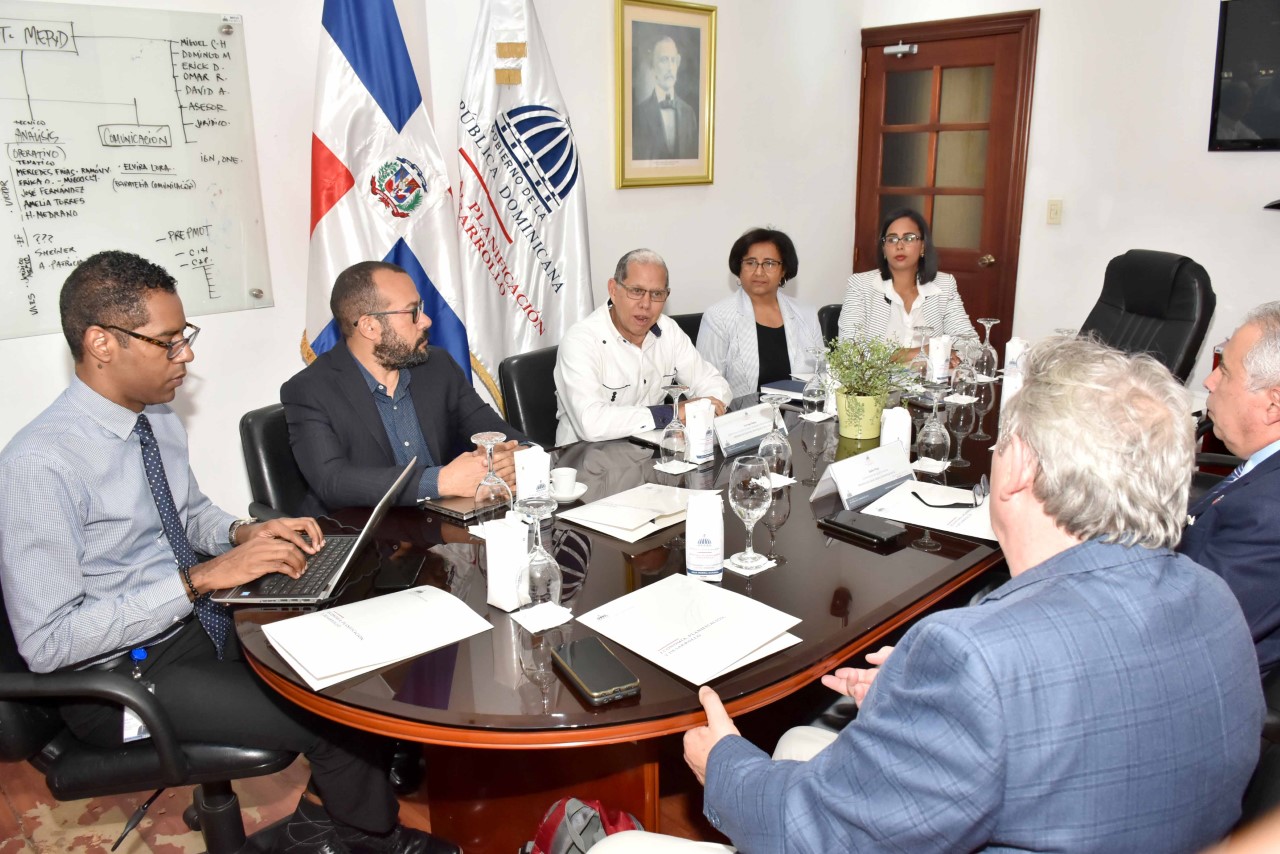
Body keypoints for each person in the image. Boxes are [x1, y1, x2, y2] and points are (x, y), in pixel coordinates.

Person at [595, 337, 1262, 854]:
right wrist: (922, 704)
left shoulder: (978, 661)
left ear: (1019, 469)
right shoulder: (1213, 604)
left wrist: (725, 763)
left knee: (617, 845)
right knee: (802, 741)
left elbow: (807, 837)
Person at [0, 251, 457, 854]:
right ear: (102, 344)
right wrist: (200, 580)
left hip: (197, 625)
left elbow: (190, 514)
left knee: (352, 665)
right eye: (168, 342)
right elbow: (48, 642)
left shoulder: (153, 416)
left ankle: (326, 816)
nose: (186, 355)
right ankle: (374, 838)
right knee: (334, 719)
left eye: (184, 336)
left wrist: (244, 535)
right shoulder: (41, 464)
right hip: (115, 679)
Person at [282, 261, 530, 516]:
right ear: (370, 326)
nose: (426, 320)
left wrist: (514, 458)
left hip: (438, 528)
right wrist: (441, 481)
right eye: (413, 312)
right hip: (361, 536)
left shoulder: (437, 366)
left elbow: (499, 434)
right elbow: (333, 481)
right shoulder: (309, 390)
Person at [1180, 301, 1280, 676]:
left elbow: (1191, 628)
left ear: (1274, 403)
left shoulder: (1270, 512)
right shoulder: (1265, 469)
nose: (1210, 381)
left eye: (1225, 370)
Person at [554, 249, 731, 445]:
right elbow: (591, 423)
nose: (646, 304)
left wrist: (704, 408)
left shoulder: (668, 331)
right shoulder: (581, 340)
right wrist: (670, 413)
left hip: (648, 456)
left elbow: (713, 383)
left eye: (656, 294)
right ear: (613, 289)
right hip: (585, 461)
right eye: (636, 291)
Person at [696, 227, 823, 400]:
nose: (759, 271)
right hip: (743, 419)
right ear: (739, 267)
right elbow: (705, 385)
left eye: (769, 263)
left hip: (799, 415)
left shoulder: (806, 314)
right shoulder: (718, 317)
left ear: (783, 270)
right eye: (750, 262)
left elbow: (821, 376)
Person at [837, 206, 977, 362]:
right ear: (884, 249)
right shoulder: (861, 285)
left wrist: (953, 357)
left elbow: (971, 345)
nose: (899, 246)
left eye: (909, 238)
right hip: (879, 384)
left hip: (929, 383)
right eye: (892, 239)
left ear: (923, 246)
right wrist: (922, 351)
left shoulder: (944, 285)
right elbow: (848, 351)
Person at [632, 36, 697, 160]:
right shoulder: (638, 115)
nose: (670, 67)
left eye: (673, 60)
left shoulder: (689, 114)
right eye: (664, 60)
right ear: (653, 66)